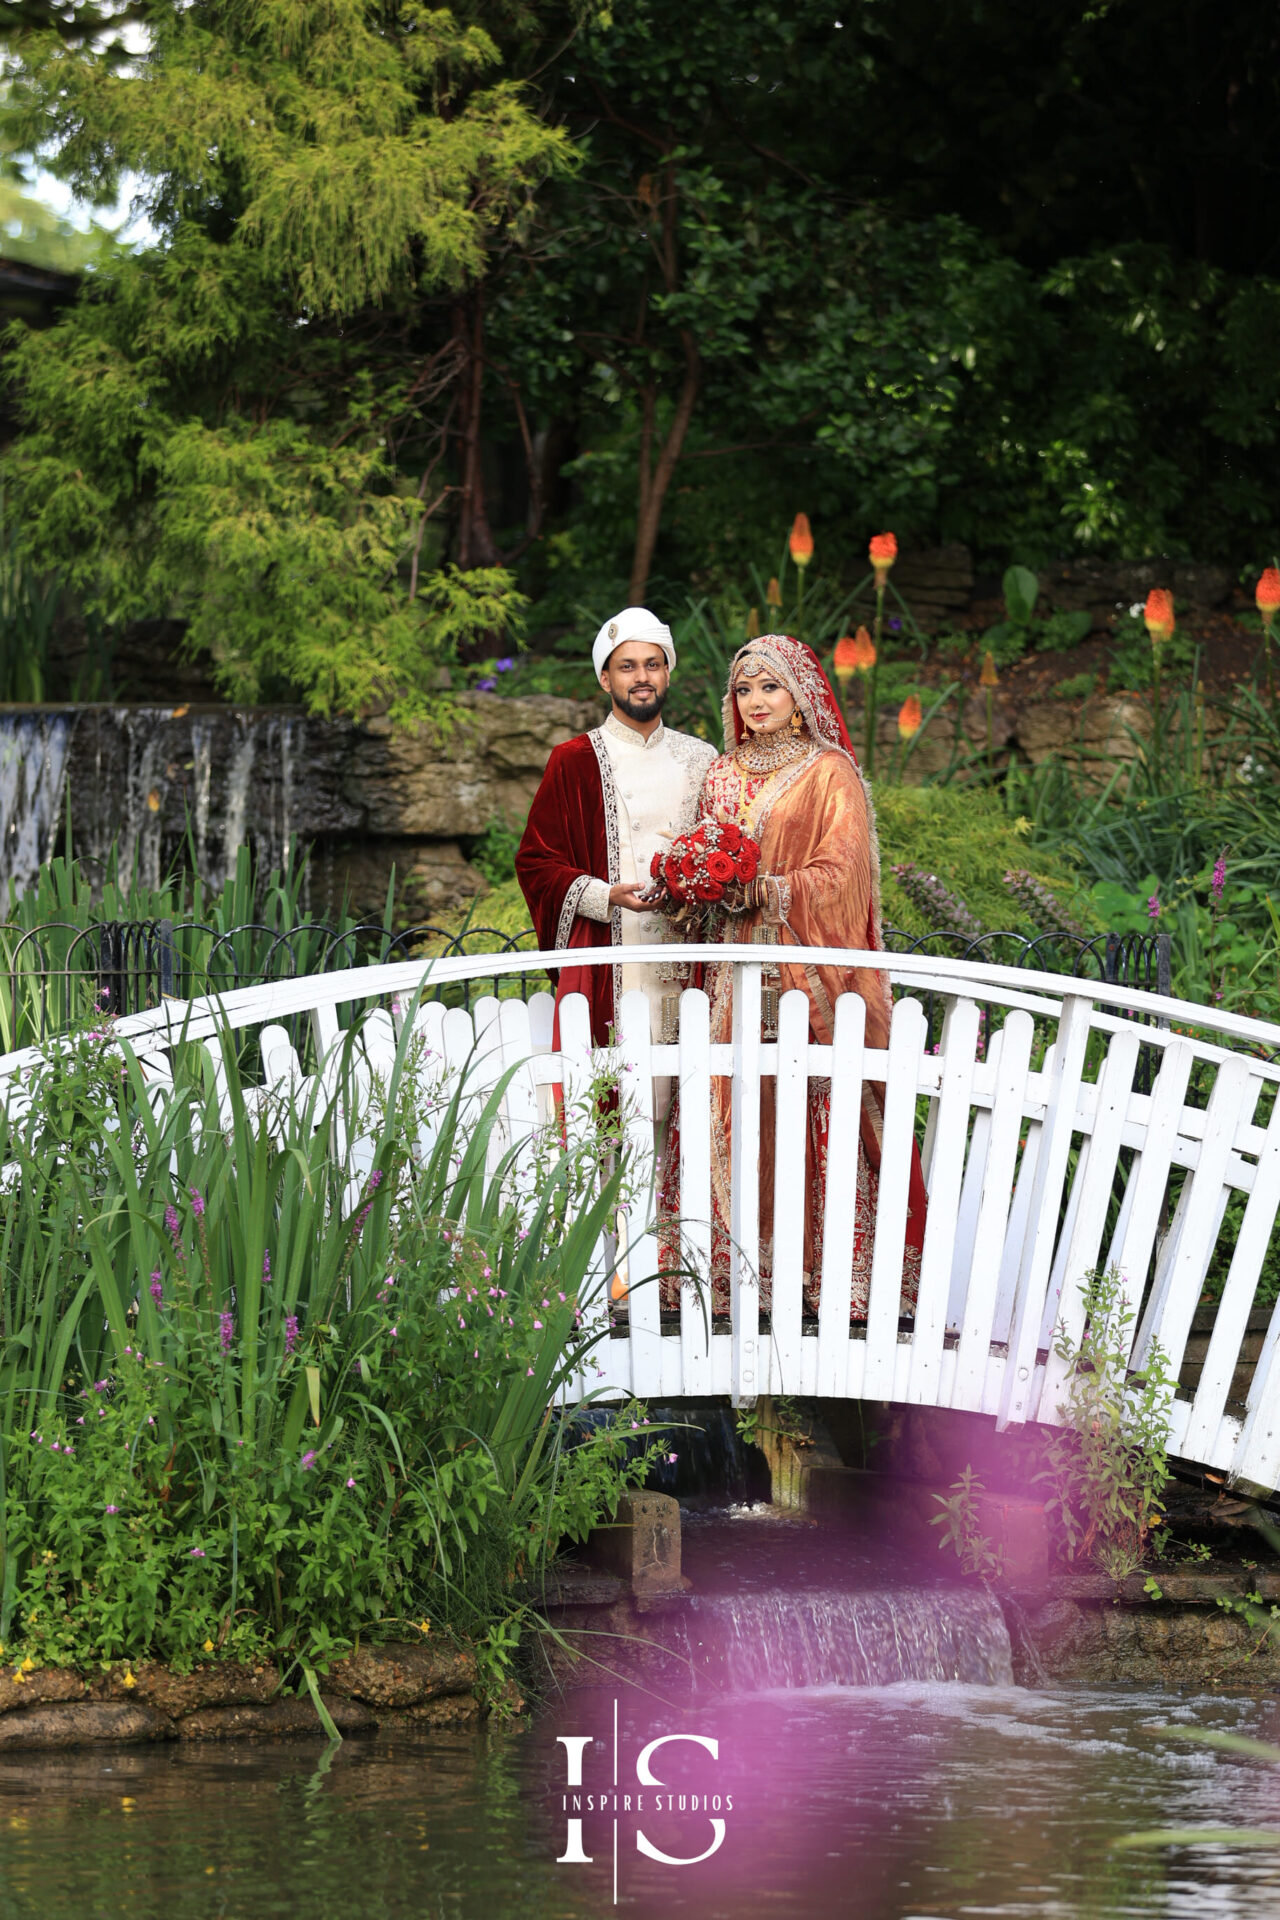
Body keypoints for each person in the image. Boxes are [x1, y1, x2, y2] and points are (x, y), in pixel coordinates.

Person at [659, 632, 926, 1319]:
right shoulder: (721, 772)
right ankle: (726, 1277)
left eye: (769, 687)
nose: (754, 702)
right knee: (729, 1102)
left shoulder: (828, 771)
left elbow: (843, 877)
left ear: (801, 697)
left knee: (803, 1107)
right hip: (727, 973)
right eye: (743, 689)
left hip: (802, 973)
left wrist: (771, 891)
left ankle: (823, 1276)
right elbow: (707, 850)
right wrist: (696, 886)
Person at [515, 607, 716, 1049]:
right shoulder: (574, 759)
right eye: (627, 666)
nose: (641, 676)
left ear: (667, 673)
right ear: (606, 679)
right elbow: (535, 862)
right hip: (612, 962)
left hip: (688, 964)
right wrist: (604, 895)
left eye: (652, 664)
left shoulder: (703, 758)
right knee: (613, 1102)